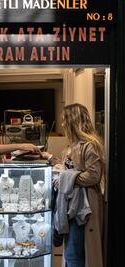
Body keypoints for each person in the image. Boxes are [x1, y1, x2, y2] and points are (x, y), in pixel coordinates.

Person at [42, 103, 105, 267]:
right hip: (71, 206)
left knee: (74, 254)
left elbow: (93, 176)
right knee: (72, 252)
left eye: (65, 120)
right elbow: (71, 169)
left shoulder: (89, 146)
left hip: (82, 208)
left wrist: (64, 179)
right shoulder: (73, 146)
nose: (62, 124)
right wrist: (49, 158)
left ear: (73, 121)